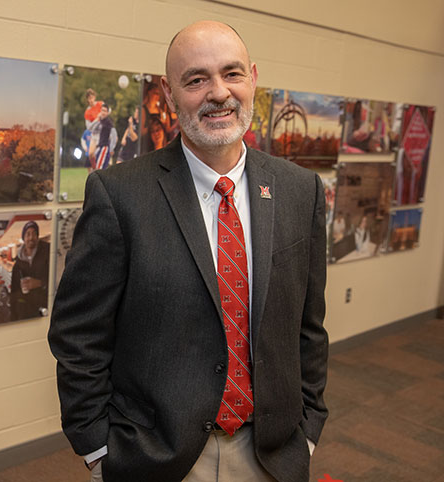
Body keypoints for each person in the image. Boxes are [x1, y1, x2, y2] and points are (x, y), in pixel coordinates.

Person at [49, 20, 328, 482]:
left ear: (253, 78)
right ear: (169, 91)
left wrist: (309, 429)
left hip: (272, 455)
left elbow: (309, 328)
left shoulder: (301, 191)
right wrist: (99, 450)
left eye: (232, 73)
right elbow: (77, 336)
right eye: (196, 79)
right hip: (156, 458)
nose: (218, 92)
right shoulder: (120, 195)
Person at [10, 221, 50, 321]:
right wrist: (14, 315)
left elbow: (59, 277)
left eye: (34, 233)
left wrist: (40, 283)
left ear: (37, 236)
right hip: (25, 310)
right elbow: (14, 290)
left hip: (46, 306)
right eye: (28, 234)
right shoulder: (18, 263)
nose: (31, 237)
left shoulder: (48, 252)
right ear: (23, 238)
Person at [89, 104, 117, 171]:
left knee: (98, 170)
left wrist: (111, 149)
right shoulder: (101, 121)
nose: (103, 112)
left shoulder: (108, 122)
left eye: (105, 111)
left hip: (104, 147)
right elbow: (90, 129)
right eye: (102, 110)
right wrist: (97, 119)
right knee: (98, 169)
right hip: (99, 147)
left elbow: (114, 136)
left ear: (107, 113)